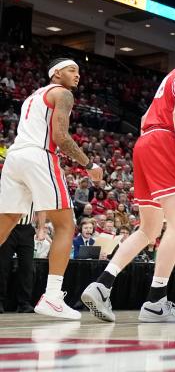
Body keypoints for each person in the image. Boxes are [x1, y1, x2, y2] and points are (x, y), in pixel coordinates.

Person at [81, 31, 175, 323]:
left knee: (149, 229)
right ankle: (156, 302)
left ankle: (102, 284)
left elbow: (145, 118)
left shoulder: (172, 74)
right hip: (164, 142)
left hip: (145, 143)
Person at [0, 58, 102, 320]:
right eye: (72, 70)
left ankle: (52, 297)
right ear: (56, 73)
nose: (77, 75)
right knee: (66, 224)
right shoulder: (62, 93)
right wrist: (88, 164)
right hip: (39, 156)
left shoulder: (32, 97)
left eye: (79, 71)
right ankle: (52, 296)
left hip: (14, 158)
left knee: (6, 222)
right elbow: (60, 137)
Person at [0, 208, 38, 313]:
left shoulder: (34, 192)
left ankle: (24, 303)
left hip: (26, 229)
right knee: (2, 266)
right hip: (7, 225)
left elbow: (41, 208)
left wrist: (41, 228)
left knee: (27, 268)